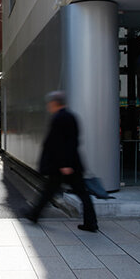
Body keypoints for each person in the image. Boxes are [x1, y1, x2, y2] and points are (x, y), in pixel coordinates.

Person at [27, 90, 98, 232]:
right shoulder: (69, 116)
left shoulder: (61, 118)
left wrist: (65, 164)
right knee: (55, 191)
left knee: (54, 191)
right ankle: (34, 215)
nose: (48, 106)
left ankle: (34, 215)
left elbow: (63, 143)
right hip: (67, 164)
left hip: (64, 165)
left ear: (55, 103)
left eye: (49, 103)